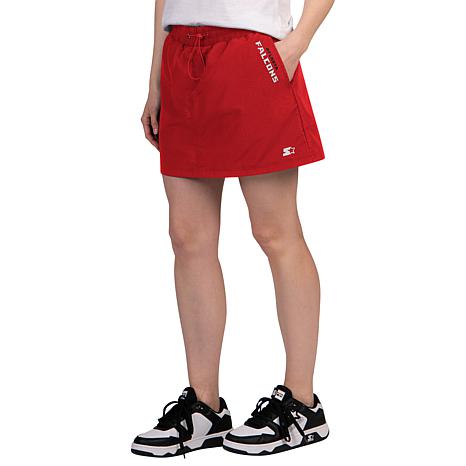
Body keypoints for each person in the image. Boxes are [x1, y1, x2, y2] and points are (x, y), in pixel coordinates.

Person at [131, 0, 335, 457]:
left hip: (252, 53)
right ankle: (204, 409)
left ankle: (302, 404)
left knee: (274, 232)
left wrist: (295, 46)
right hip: (181, 52)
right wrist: (155, 78)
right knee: (188, 237)